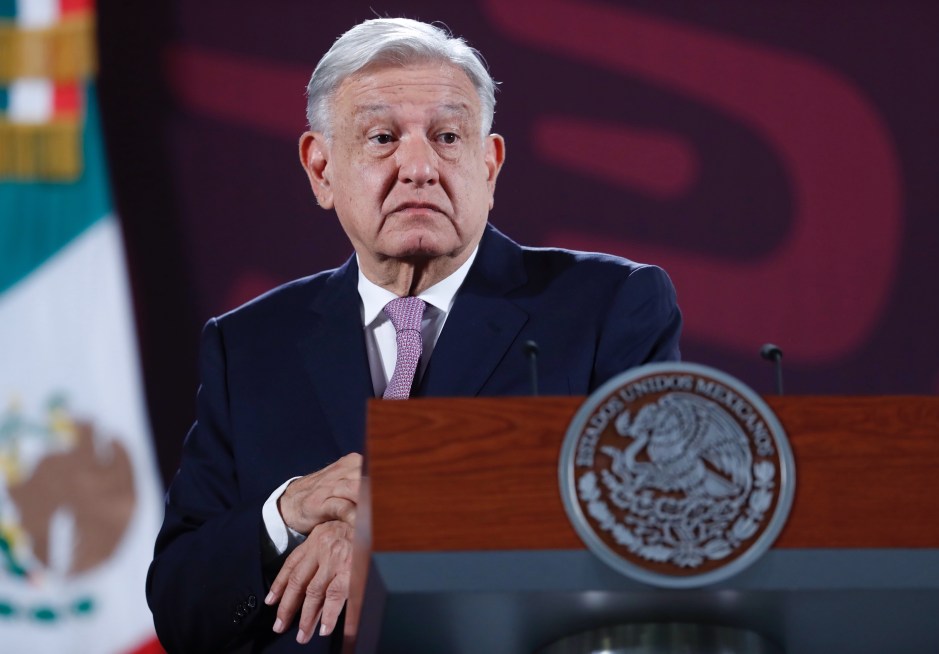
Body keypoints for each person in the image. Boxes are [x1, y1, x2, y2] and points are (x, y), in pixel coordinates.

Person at [146, 16, 682, 653]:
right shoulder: (251, 345)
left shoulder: (607, 308)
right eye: (381, 137)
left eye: (448, 135)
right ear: (321, 169)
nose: (419, 167)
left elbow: (655, 523)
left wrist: (386, 531)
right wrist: (284, 515)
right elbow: (179, 606)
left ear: (489, 165)